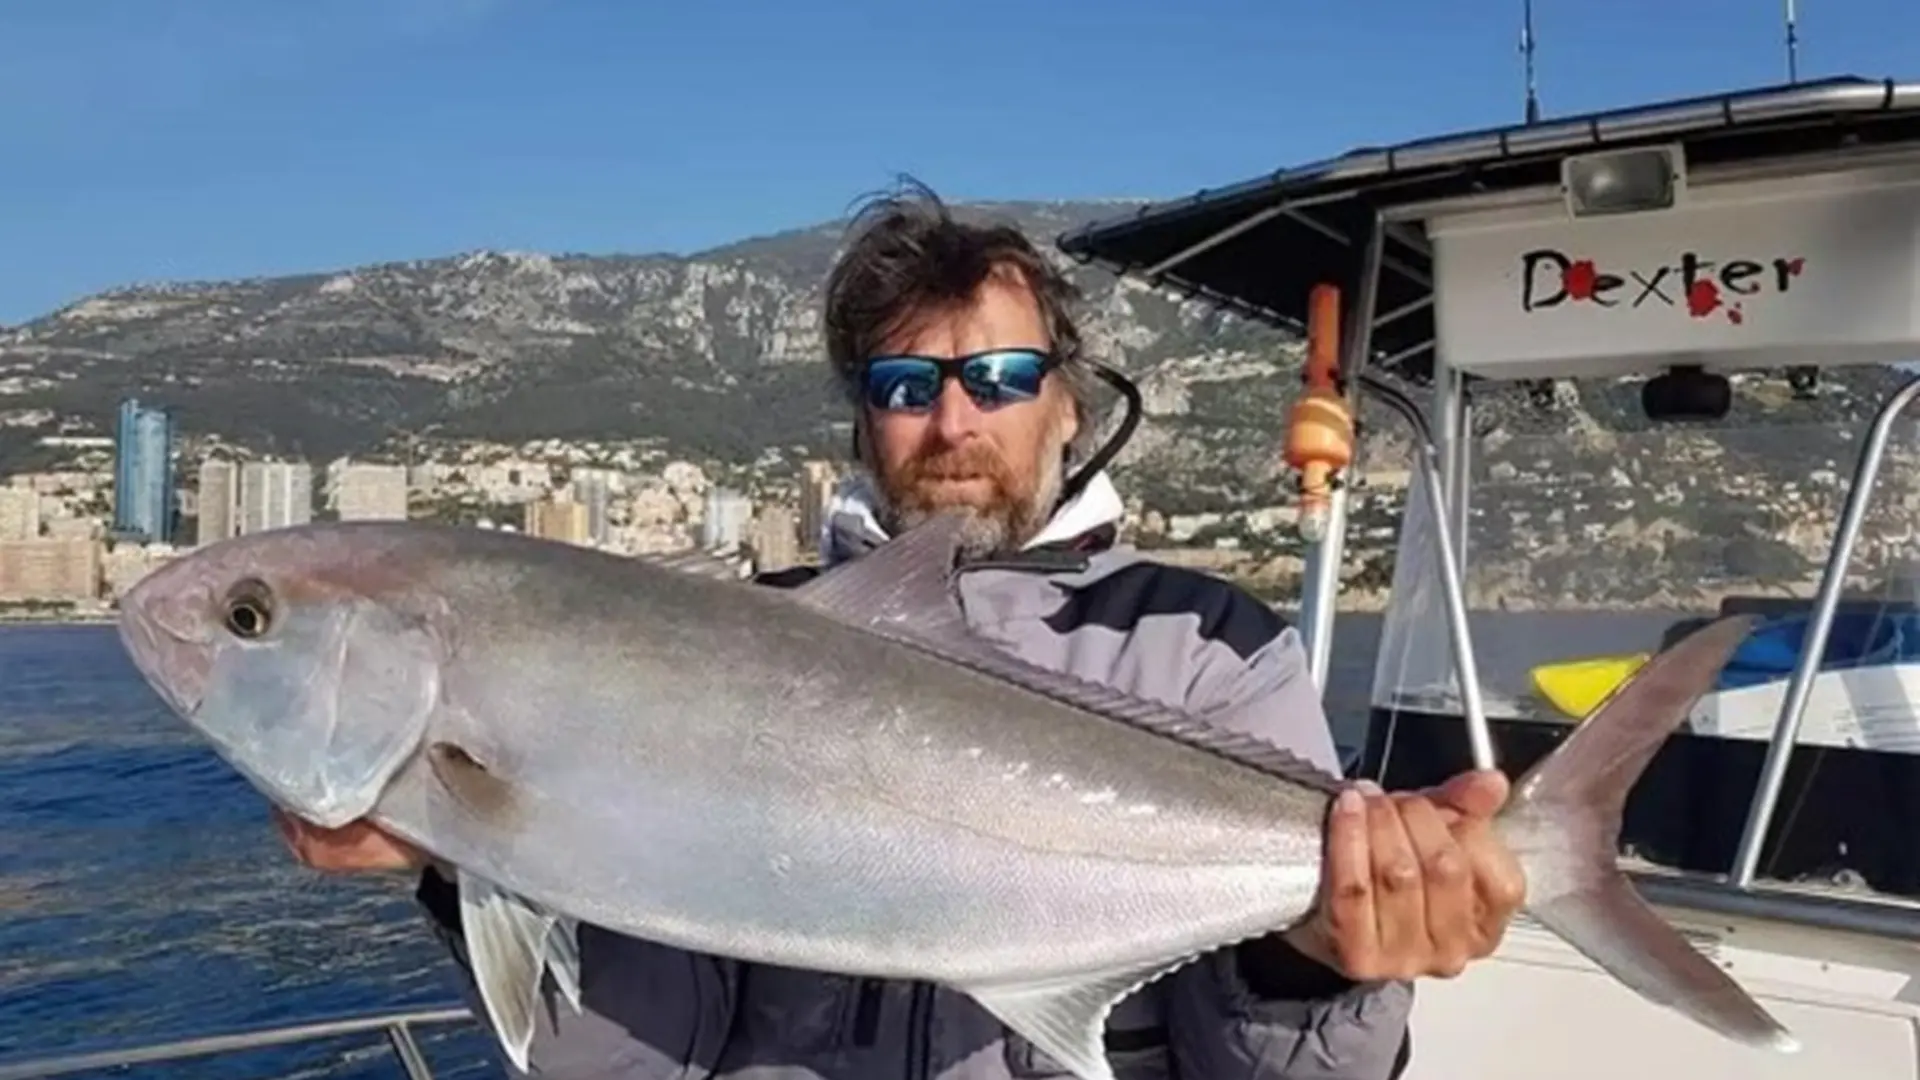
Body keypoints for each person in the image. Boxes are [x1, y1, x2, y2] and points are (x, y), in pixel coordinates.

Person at [274, 180, 1527, 1080]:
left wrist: (1324, 965)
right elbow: (630, 1061)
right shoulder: (733, 638)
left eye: (998, 379)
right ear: (864, 421)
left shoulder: (1208, 643)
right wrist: (465, 863)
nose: (954, 422)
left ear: (1065, 403)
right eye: (906, 386)